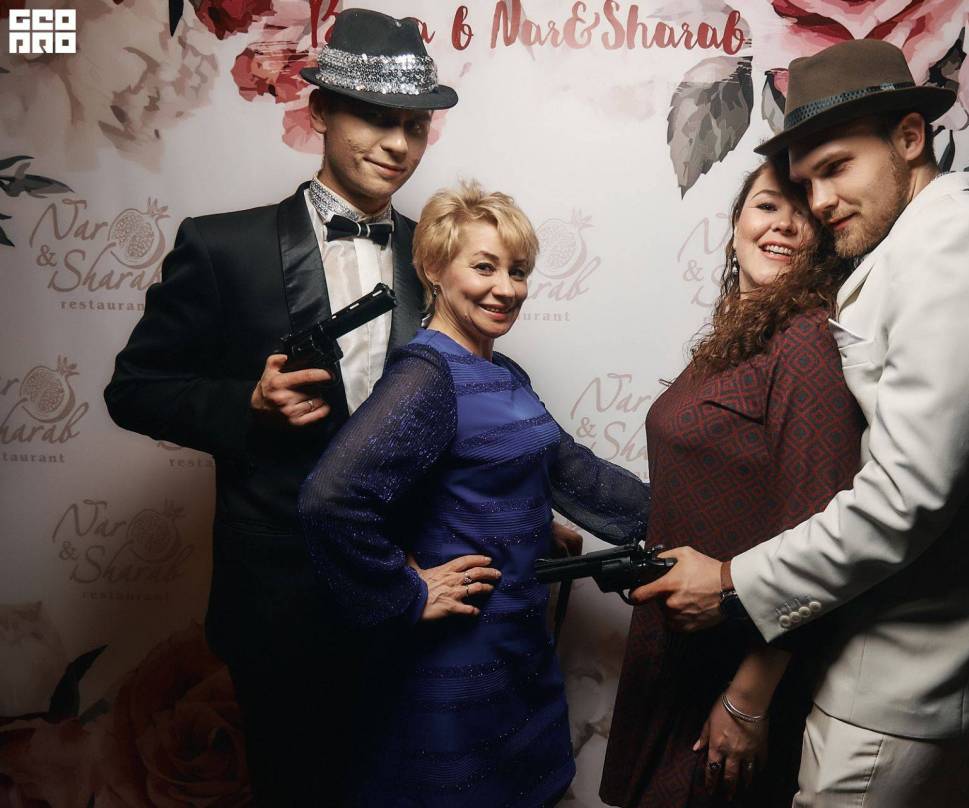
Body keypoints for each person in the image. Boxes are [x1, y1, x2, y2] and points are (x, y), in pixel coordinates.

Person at [633, 39, 969, 806]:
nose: (818, 201)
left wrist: (733, 584)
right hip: (895, 674)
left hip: (898, 683)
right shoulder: (922, 248)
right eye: (804, 182)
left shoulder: (958, 246)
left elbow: (904, 500)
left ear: (908, 137)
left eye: (835, 168)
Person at [103, 10, 470, 804]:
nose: (397, 145)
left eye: (414, 125)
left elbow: (465, 411)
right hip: (280, 605)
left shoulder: (437, 258)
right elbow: (134, 390)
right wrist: (246, 404)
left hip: (411, 589)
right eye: (376, 118)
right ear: (321, 112)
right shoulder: (221, 247)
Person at [298, 181, 650, 807]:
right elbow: (330, 500)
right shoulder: (427, 375)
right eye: (485, 267)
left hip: (520, 651)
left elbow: (573, 472)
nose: (506, 288)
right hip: (453, 666)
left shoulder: (503, 372)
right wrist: (405, 591)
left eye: (518, 271)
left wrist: (694, 514)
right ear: (434, 270)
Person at [599, 157, 863, 808]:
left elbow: (818, 535)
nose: (784, 225)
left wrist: (748, 698)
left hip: (737, 663)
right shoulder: (735, 338)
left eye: (805, 213)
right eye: (768, 205)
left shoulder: (805, 342)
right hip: (679, 651)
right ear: (737, 222)